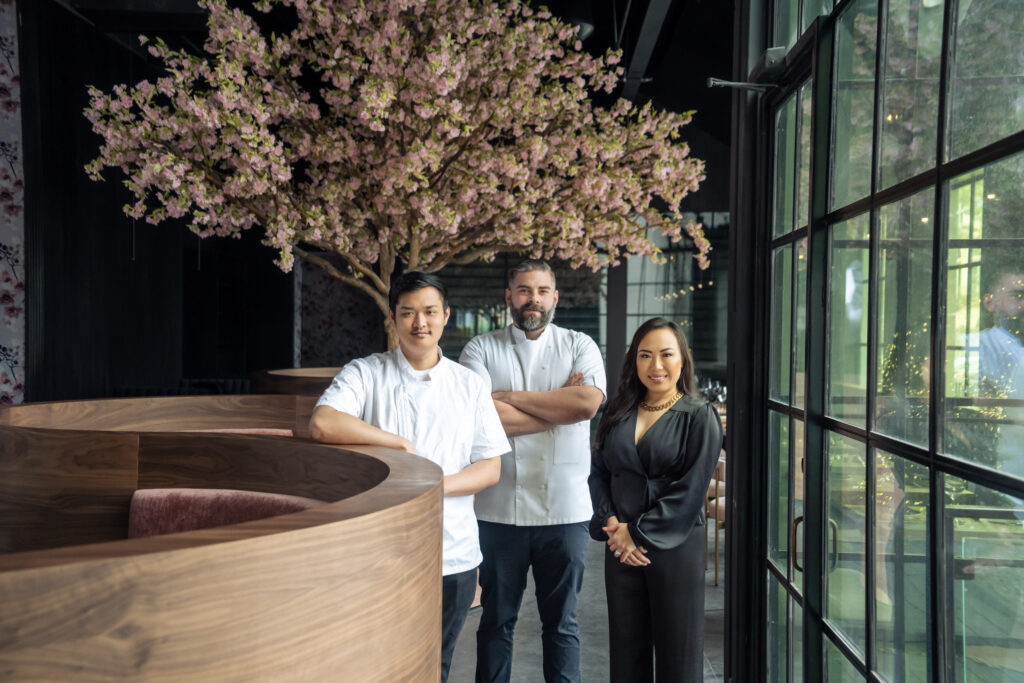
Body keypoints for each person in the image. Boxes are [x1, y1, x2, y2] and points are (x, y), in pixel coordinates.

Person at [309, 271, 509, 683]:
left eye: (430, 312)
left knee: (435, 663)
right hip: (379, 548)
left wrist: (433, 488)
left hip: (451, 551)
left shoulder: (470, 384)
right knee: (375, 663)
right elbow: (323, 423)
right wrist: (396, 444)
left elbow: (490, 467)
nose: (421, 323)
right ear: (393, 317)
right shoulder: (366, 372)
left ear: (446, 315)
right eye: (409, 313)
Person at [459, 259, 606, 683]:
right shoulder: (479, 349)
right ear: (509, 297)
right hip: (498, 509)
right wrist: (557, 407)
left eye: (542, 291)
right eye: (524, 290)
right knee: (496, 621)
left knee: (562, 624)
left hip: (565, 510)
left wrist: (506, 398)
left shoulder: (580, 345)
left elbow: (586, 406)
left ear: (555, 297)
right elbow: (481, 419)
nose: (533, 299)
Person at [588, 316, 722, 683]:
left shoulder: (700, 416)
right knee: (626, 651)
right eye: (645, 355)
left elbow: (691, 489)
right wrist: (613, 525)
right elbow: (599, 473)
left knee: (678, 656)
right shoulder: (616, 412)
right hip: (620, 546)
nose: (656, 365)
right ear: (634, 360)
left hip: (674, 546)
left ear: (683, 360)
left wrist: (638, 533)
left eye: (666, 354)